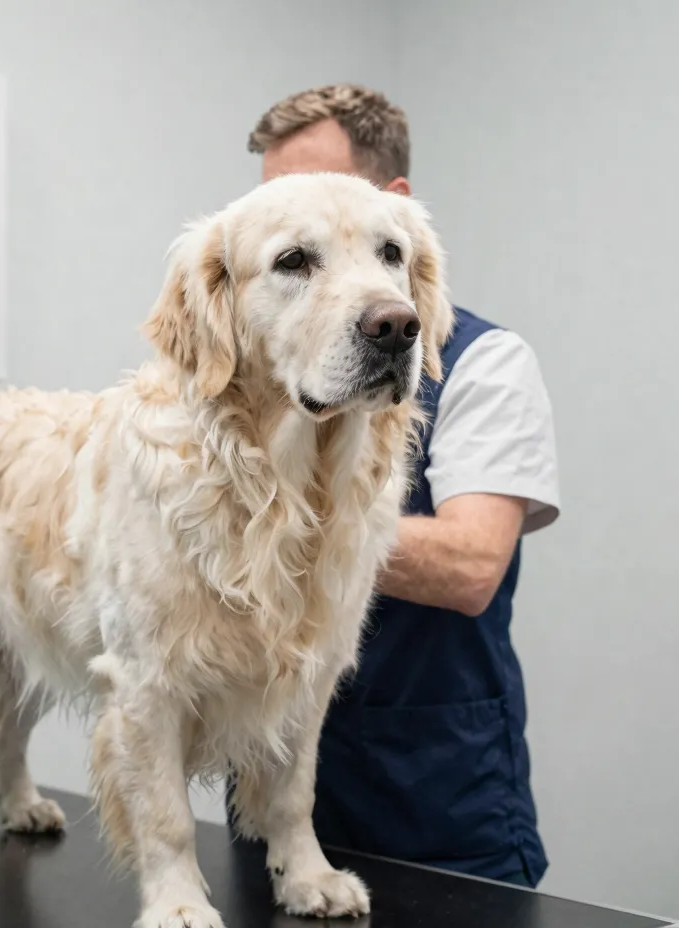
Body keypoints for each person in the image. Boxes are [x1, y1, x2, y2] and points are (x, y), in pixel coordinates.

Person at [227, 84, 560, 888]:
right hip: (275, 801)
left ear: (390, 213)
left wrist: (268, 518)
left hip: (437, 802)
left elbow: (471, 566)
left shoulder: (485, 362)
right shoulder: (248, 372)